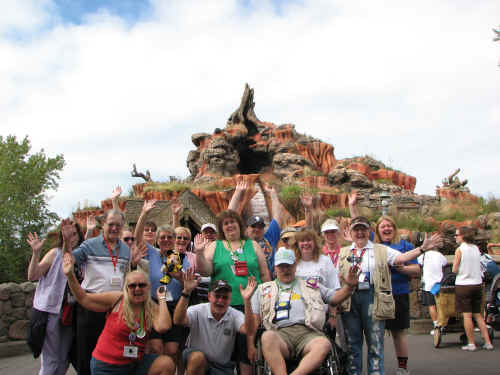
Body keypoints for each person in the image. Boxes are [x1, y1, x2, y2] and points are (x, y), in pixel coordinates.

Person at [338, 216, 442, 375]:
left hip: (373, 297)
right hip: (350, 298)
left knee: (375, 342)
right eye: (356, 230)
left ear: (369, 231)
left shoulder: (380, 249)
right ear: (351, 232)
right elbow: (336, 275)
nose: (360, 233)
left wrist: (422, 248)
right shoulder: (344, 252)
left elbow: (401, 258)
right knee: (353, 342)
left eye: (363, 229)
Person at [247, 248, 359, 375]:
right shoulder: (263, 290)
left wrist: (349, 286)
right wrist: (251, 345)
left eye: (289, 266)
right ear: (275, 268)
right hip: (279, 333)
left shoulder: (311, 285)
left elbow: (335, 298)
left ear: (295, 266)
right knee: (266, 337)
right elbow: (254, 323)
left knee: (324, 344)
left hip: (308, 332)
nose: (285, 270)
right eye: (281, 266)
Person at [61, 249, 174, 375]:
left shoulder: (151, 307)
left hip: (134, 364)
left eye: (142, 285)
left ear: (148, 287)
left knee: (166, 364)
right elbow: (84, 298)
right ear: (126, 288)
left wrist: (162, 298)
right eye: (132, 286)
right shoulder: (118, 299)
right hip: (107, 366)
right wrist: (70, 275)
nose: (137, 289)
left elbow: (163, 326)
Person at [195, 209, 271, 375]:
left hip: (251, 306)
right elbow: (205, 271)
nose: (230, 225)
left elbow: (265, 274)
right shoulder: (216, 245)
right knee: (222, 353)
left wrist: (268, 301)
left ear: (239, 224)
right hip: (222, 306)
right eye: (226, 223)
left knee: (246, 354)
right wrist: (199, 253)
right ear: (222, 228)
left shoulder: (253, 245)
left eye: (232, 222)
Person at [72, 209, 144, 375]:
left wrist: (133, 265)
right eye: (111, 224)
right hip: (91, 305)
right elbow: (69, 260)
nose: (114, 228)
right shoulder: (89, 245)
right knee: (86, 352)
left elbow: (125, 276)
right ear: (103, 224)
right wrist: (66, 244)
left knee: (111, 352)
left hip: (114, 309)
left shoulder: (126, 250)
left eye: (118, 225)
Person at [27, 219, 84, 375]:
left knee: (63, 359)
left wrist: (91, 230)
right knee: (51, 359)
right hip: (51, 312)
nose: (71, 238)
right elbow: (33, 275)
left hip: (70, 313)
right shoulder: (55, 254)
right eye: (68, 234)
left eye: (74, 234)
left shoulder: (81, 257)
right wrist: (36, 252)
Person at [134, 200, 189, 360]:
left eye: (169, 237)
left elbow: (186, 283)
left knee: (172, 349)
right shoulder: (151, 253)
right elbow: (138, 237)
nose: (166, 240)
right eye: (162, 237)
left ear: (174, 240)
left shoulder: (180, 257)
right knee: (156, 347)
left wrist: (175, 273)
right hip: (154, 304)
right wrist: (144, 214)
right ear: (157, 240)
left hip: (174, 305)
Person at [174, 269, 255, 375]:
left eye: (225, 297)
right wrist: (186, 292)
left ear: (230, 300)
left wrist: (247, 301)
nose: (220, 301)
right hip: (195, 359)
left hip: (222, 368)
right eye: (217, 296)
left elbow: (249, 330)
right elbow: (178, 320)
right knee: (197, 358)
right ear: (209, 297)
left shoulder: (235, 315)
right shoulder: (197, 310)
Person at [374, 216, 421, 375]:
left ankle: (402, 366)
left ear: (394, 228)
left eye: (389, 226)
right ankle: (376, 366)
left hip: (398, 293)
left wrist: (402, 269)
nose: (386, 229)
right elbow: (359, 226)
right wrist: (352, 206)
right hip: (378, 294)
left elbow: (417, 269)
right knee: (375, 333)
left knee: (398, 332)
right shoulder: (374, 246)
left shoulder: (404, 245)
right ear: (378, 230)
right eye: (383, 226)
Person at [228, 180, 285, 276]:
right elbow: (228, 217)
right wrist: (237, 193)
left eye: (260, 227)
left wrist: (273, 194)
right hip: (246, 284)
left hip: (267, 285)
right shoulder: (240, 240)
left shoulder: (269, 238)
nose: (257, 229)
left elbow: (278, 218)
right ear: (246, 229)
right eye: (253, 226)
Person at [452, 226, 494, 351]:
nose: (455, 237)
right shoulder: (476, 249)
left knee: (467, 316)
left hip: (464, 284)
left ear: (463, 236)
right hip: (477, 284)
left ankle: (471, 343)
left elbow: (454, 269)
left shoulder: (460, 250)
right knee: (478, 315)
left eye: (457, 235)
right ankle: (488, 342)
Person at [293, 230, 340, 329]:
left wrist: (333, 316)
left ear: (315, 242)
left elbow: (334, 289)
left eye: (309, 240)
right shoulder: (292, 262)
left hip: (321, 315)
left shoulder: (325, 261)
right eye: (302, 241)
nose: (306, 243)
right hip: (297, 316)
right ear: (297, 243)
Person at [417, 249, 447, 335]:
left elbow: (418, 264)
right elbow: (444, 264)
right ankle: (442, 325)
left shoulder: (423, 256)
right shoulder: (440, 255)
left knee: (431, 305)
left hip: (428, 284)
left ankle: (436, 326)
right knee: (441, 306)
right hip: (439, 284)